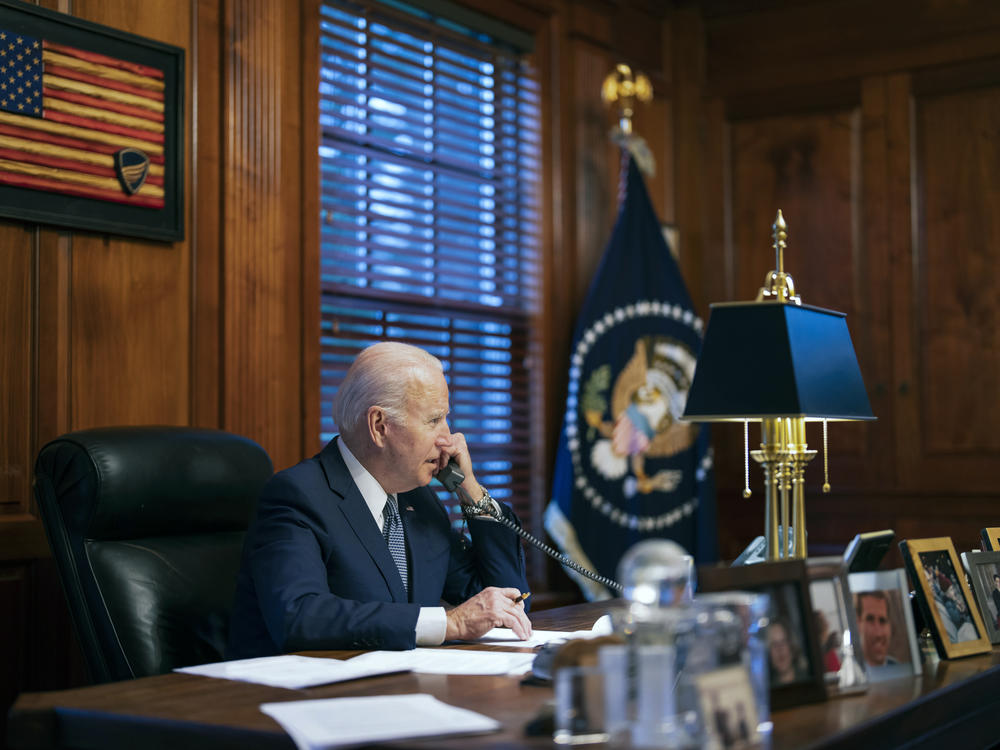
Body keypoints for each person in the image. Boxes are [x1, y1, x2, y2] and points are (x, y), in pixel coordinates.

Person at [227, 342, 532, 658]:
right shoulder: (298, 495)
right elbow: (299, 616)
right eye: (433, 420)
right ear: (379, 426)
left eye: (446, 418)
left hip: (398, 690)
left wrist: (470, 491)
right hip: (289, 697)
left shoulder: (420, 501)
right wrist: (450, 623)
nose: (449, 439)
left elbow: (507, 608)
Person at [856, 591, 896, 666]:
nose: (878, 634)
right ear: (858, 623)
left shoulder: (898, 668)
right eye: (870, 619)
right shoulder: (852, 673)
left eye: (882, 621)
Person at [767, 617, 806, 685]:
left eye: (783, 642)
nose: (779, 649)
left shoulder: (807, 680)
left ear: (791, 646)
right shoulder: (767, 690)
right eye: (774, 644)